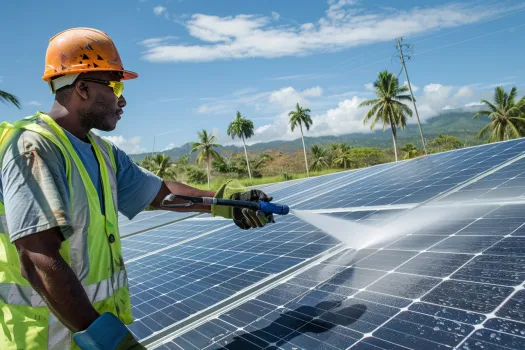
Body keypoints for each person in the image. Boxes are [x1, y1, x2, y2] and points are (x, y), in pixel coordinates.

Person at [0, 27, 273, 350]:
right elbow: (37, 257)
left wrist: (227, 202)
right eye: (115, 84)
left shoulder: (101, 153)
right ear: (83, 88)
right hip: (46, 341)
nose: (123, 98)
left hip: (87, 335)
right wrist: (107, 341)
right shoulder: (32, 147)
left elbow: (160, 194)